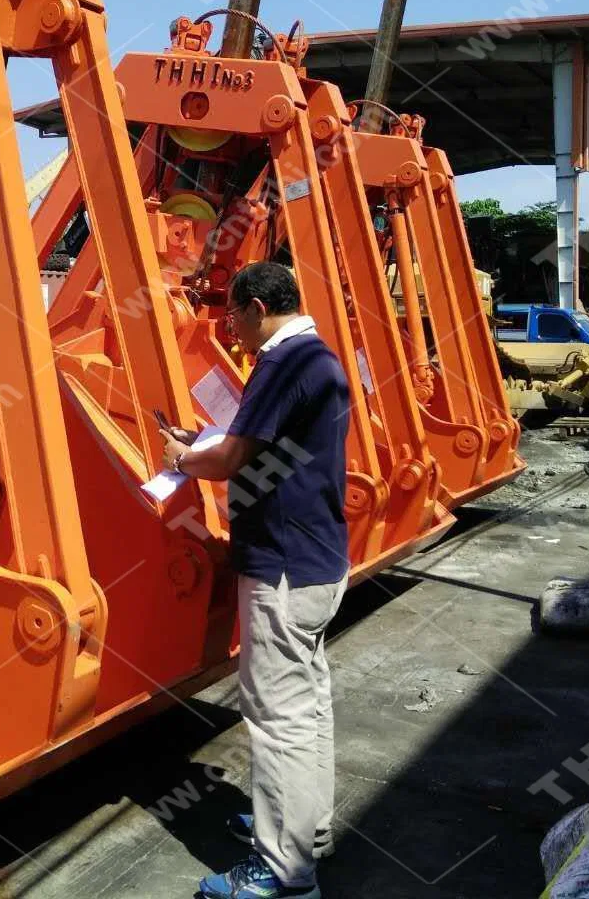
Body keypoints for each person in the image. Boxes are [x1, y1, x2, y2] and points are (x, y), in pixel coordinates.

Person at [159, 262, 351, 899]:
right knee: (310, 705)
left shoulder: (281, 360)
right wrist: (208, 440)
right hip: (319, 561)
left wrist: (183, 457)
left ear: (260, 306)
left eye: (234, 315)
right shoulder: (317, 357)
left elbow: (236, 457)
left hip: (285, 568)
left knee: (277, 718)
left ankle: (283, 873)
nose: (229, 328)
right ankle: (304, 829)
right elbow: (259, 443)